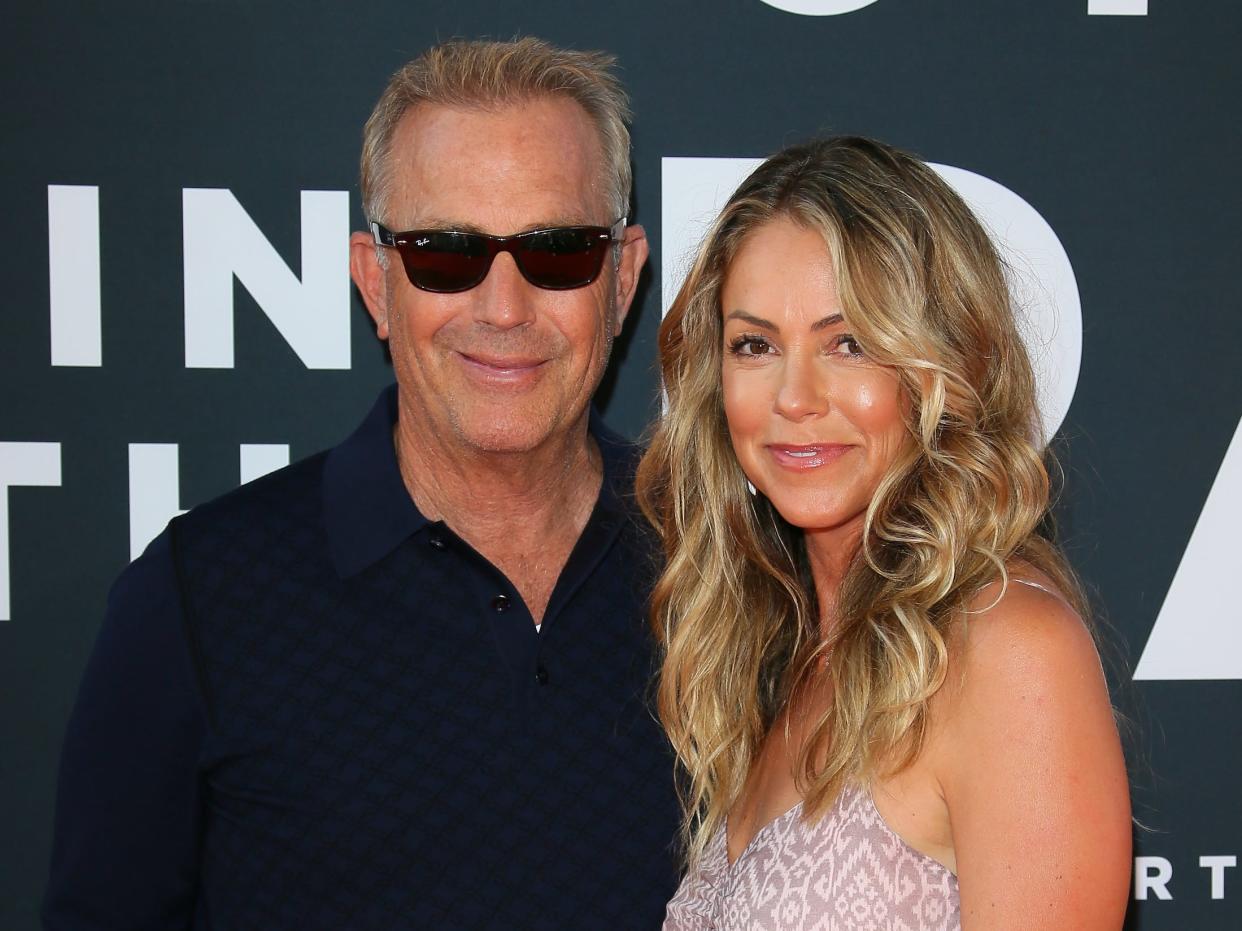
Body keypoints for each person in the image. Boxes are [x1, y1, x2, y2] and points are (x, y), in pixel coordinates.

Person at [43, 38, 681, 930]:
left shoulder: (725, 571)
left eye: (559, 250)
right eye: (446, 254)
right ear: (375, 282)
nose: (503, 308)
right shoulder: (200, 596)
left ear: (622, 279)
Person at [640, 137, 1132, 929]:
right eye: (755, 345)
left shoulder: (1008, 652)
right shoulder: (789, 665)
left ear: (942, 364)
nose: (795, 396)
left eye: (850, 342)